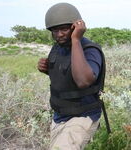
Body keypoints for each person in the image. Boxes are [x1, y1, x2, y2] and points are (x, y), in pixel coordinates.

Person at [37, 3, 105, 150]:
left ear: (75, 28)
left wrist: (75, 40)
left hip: (83, 117)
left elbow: (83, 81)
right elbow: (67, 75)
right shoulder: (58, 48)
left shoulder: (90, 50)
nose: (59, 34)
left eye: (64, 29)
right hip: (59, 116)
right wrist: (47, 69)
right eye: (55, 30)